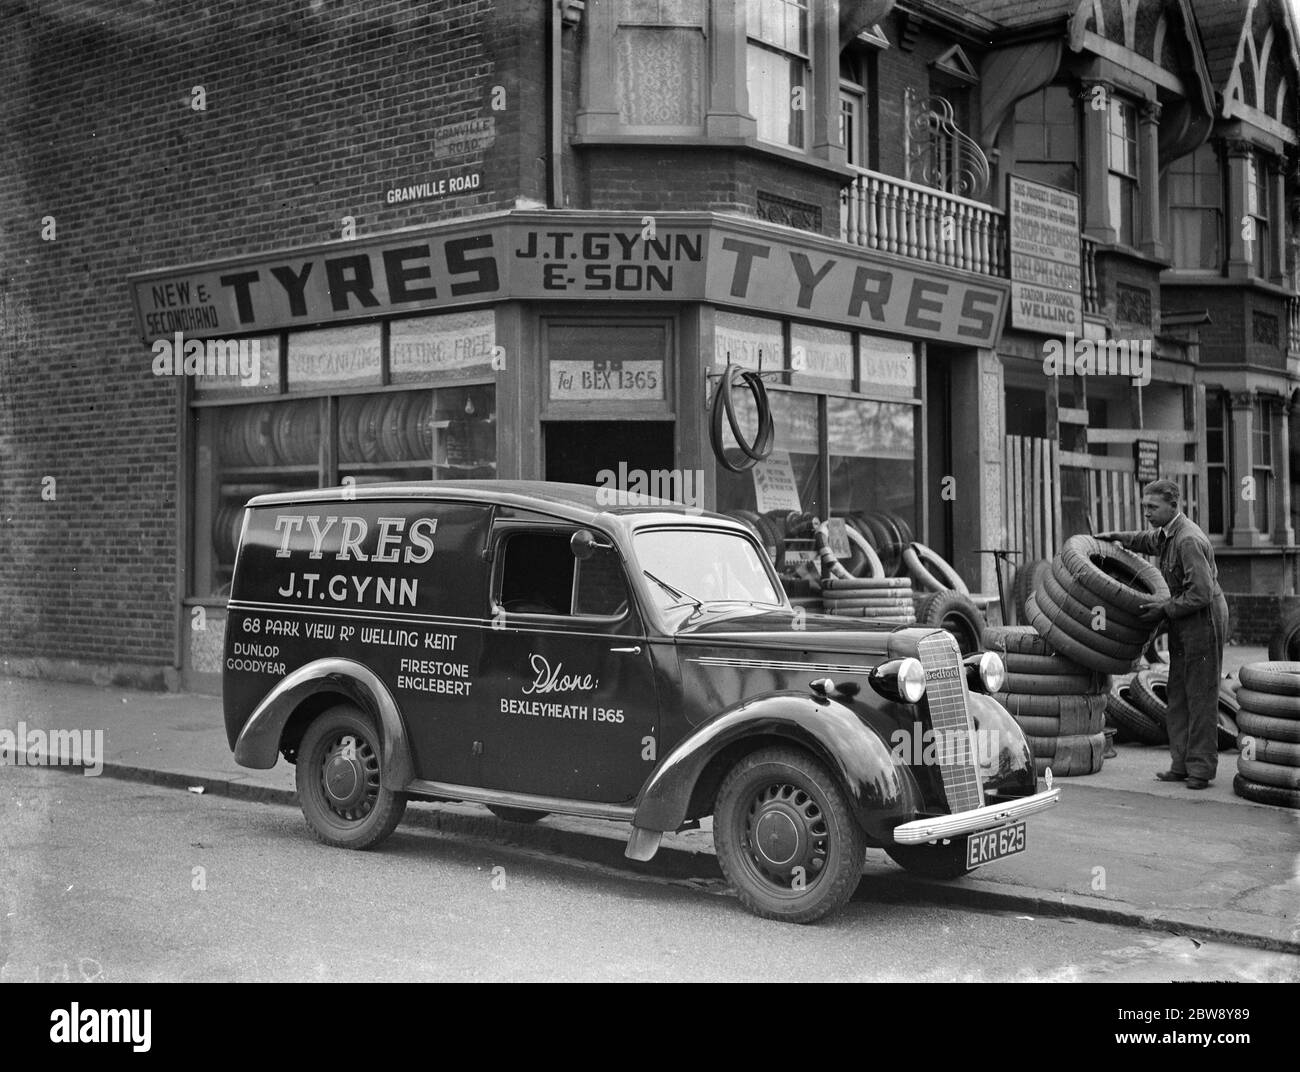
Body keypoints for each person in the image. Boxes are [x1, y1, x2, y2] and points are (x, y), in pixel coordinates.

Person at [1096, 480, 1228, 789]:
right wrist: (1118, 538)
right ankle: (1180, 764)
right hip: (1185, 616)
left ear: (1173, 505)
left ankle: (1200, 770)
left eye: (1152, 507)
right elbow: (1148, 540)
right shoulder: (1169, 534)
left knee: (1201, 695)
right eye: (1144, 507)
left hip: (1203, 618)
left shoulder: (1188, 540)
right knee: (1178, 692)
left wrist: (1164, 610)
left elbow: (1201, 594)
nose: (1147, 513)